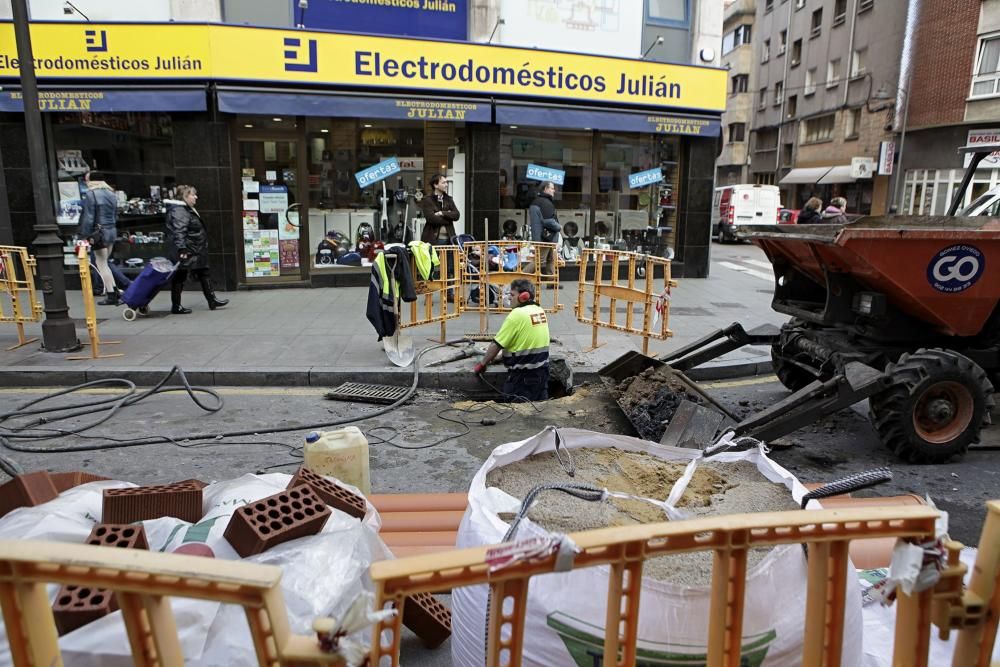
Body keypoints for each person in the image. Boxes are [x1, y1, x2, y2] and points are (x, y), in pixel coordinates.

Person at [473, 279, 551, 401]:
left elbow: (496, 345)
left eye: (512, 295)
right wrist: (501, 356)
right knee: (539, 409)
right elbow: (526, 341)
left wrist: (483, 364)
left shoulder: (517, 314)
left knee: (514, 412)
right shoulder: (539, 310)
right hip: (542, 373)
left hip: (523, 378)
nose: (509, 298)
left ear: (524, 296)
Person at [164, 185, 228, 314]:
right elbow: (179, 231)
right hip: (189, 250)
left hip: (194, 249)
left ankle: (212, 300)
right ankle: (176, 306)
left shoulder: (185, 209)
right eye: (193, 195)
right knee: (180, 276)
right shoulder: (180, 211)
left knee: (204, 272)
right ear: (185, 196)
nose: (196, 197)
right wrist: (182, 249)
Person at [77, 170, 121, 305]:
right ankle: (114, 290)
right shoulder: (111, 193)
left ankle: (111, 294)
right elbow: (115, 215)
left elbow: (88, 217)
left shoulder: (91, 194)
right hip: (111, 230)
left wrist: (83, 235)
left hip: (99, 233)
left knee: (101, 263)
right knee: (105, 262)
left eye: (87, 179)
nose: (86, 182)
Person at [420, 174, 460, 300]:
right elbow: (431, 218)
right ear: (435, 185)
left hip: (449, 238)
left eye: (446, 182)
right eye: (443, 183)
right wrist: (448, 219)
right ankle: (428, 293)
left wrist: (442, 213)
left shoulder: (449, 199)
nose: (446, 185)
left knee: (449, 267)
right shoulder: (427, 200)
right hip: (433, 239)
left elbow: (457, 215)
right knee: (430, 267)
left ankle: (449, 294)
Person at [528, 181, 561, 277]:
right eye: (552, 188)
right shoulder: (545, 202)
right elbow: (548, 221)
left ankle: (551, 281)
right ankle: (518, 279)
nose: (554, 190)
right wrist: (559, 227)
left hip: (543, 236)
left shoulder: (537, 201)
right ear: (545, 189)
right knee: (539, 260)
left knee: (550, 258)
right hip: (545, 237)